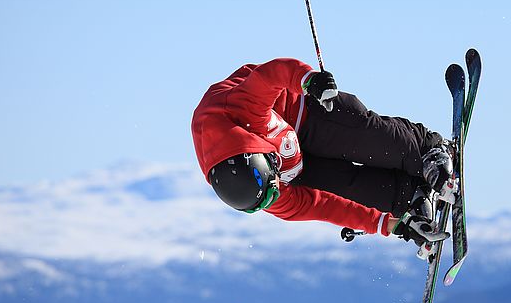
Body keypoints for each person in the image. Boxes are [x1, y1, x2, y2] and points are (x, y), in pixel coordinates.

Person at [191, 57, 455, 248]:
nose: (276, 191)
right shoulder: (264, 194)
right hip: (292, 162)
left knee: (358, 135)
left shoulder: (242, 109)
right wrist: (393, 225)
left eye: (274, 182)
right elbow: (323, 206)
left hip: (299, 113)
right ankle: (406, 195)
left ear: (263, 160)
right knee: (341, 190)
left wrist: (309, 80)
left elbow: (272, 74)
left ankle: (427, 151)